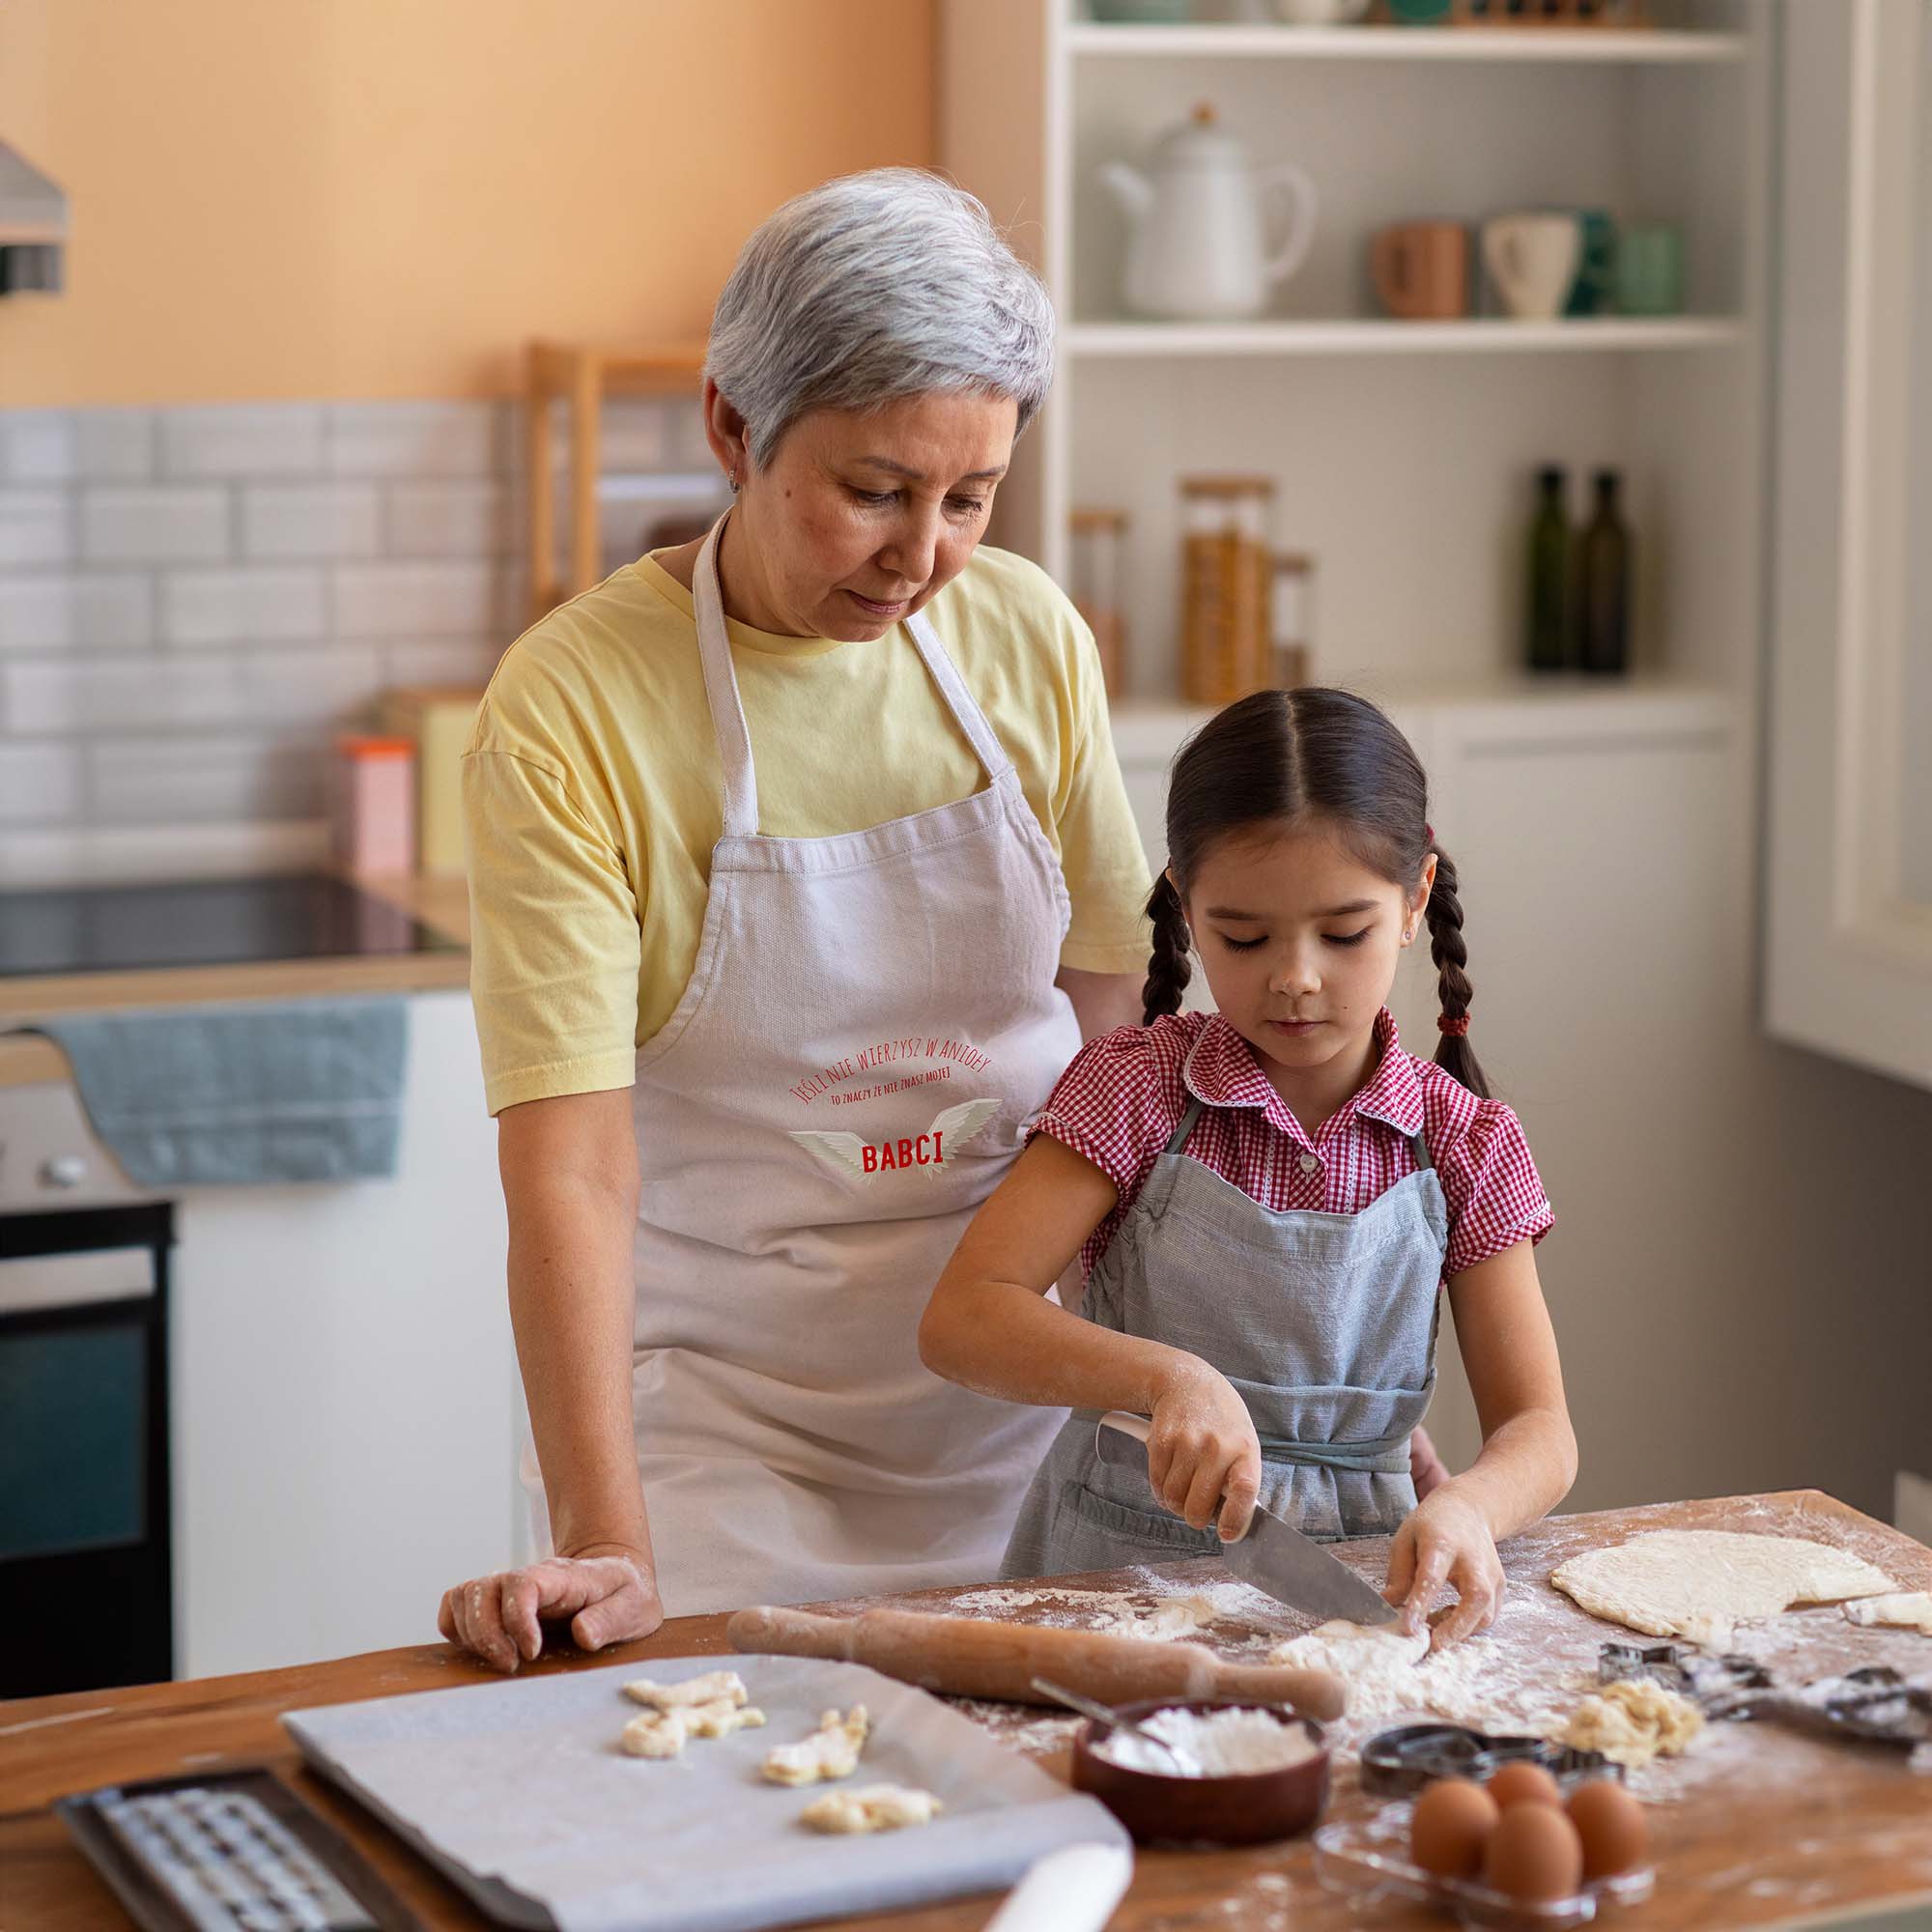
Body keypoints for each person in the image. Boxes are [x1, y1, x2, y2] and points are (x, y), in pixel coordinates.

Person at [436, 169, 1157, 1669]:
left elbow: (1120, 1037)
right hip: (732, 1457)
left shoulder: (1024, 633)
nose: (922, 559)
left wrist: (1257, 1368)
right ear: (731, 428)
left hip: (1041, 1422)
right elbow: (571, 1172)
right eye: (875, 491)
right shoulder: (574, 710)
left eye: (970, 499)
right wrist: (607, 1544)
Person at [919, 688, 1577, 1650]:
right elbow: (962, 1318)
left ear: (1413, 900)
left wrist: (1473, 1504)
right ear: (1185, 907)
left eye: (1341, 933)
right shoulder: (1131, 1089)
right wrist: (1167, 1377)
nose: (1294, 975)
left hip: (1363, 1586)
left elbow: (1539, 1427)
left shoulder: (1463, 1140)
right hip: (1110, 1591)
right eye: (1242, 935)